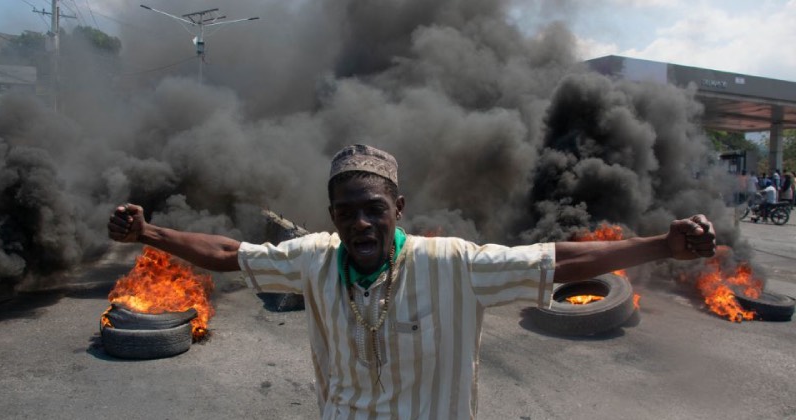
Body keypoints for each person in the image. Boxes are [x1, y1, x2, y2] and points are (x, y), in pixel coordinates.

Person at [107, 144, 716, 419]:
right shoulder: (313, 258)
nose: (360, 223)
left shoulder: (454, 263)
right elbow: (228, 254)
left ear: (398, 208)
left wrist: (661, 245)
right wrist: (149, 233)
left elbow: (553, 260)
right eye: (346, 212)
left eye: (374, 208)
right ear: (332, 216)